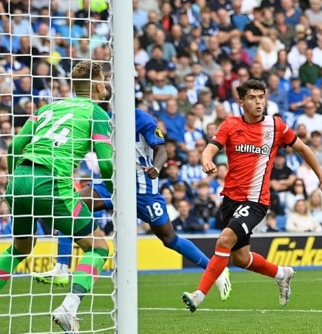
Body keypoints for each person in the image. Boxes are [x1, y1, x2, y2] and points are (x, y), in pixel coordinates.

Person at [33, 109, 232, 302]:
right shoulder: (102, 119)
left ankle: (215, 269)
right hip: (112, 184)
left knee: (169, 238)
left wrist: (157, 167)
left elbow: (161, 149)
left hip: (142, 190)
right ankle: (61, 266)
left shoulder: (142, 119)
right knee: (69, 207)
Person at [181, 79, 322, 312]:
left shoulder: (276, 126)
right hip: (230, 199)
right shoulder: (230, 124)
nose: (258, 102)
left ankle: (198, 295)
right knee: (240, 259)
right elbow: (212, 147)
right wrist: (206, 159)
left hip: (256, 200)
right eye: (253, 98)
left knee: (224, 239)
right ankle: (282, 274)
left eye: (261, 97)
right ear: (241, 101)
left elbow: (304, 149)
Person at [1, 61, 114, 332]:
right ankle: (68, 308)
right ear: (98, 85)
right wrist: (116, 185)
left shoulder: (46, 108)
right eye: (105, 80)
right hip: (52, 183)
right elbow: (106, 163)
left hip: (19, 180)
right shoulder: (96, 112)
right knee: (98, 247)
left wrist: (17, 178)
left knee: (22, 248)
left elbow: (16, 144)